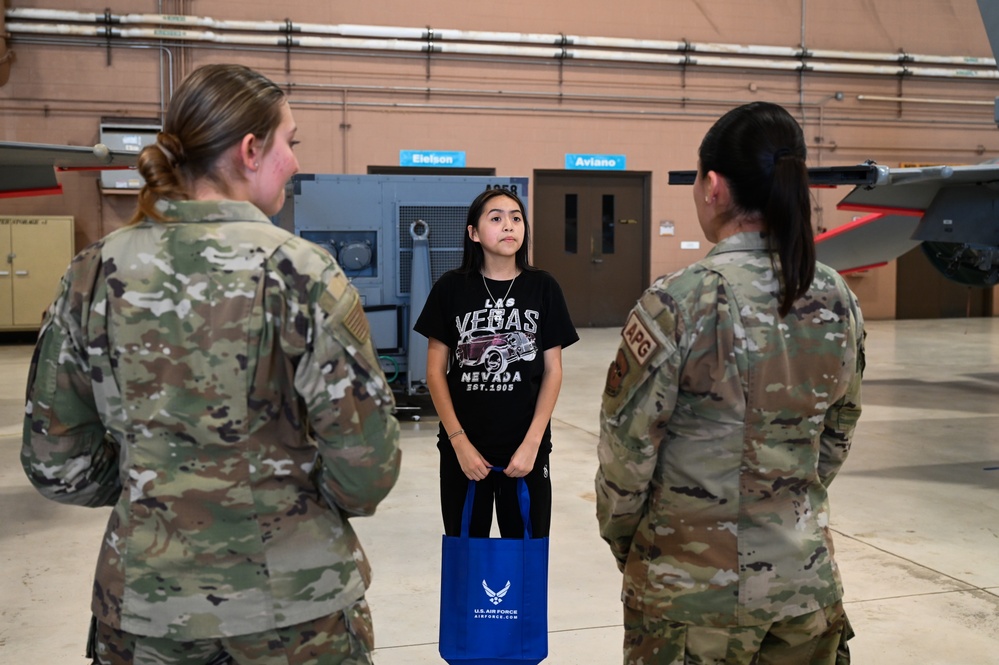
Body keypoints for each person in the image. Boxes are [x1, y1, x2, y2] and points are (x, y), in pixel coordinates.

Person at [21, 63, 401, 665]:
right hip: (295, 614)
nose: (296, 163)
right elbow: (367, 468)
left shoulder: (91, 274)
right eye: (291, 142)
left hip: (146, 613)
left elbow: (55, 463)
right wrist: (290, 499)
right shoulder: (301, 273)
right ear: (251, 151)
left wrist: (151, 485)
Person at [595, 101, 865, 665]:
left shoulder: (679, 301)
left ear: (713, 186)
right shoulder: (837, 297)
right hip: (803, 591)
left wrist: (636, 546)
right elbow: (838, 433)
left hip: (692, 601)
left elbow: (627, 454)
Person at [414, 187, 578, 539]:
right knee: (465, 554)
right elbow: (434, 372)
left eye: (516, 218)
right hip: (463, 449)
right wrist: (459, 442)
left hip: (525, 450)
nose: (509, 226)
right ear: (473, 233)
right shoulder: (451, 288)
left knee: (526, 556)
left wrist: (533, 443)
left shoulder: (544, 287)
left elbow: (553, 370)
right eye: (497, 218)